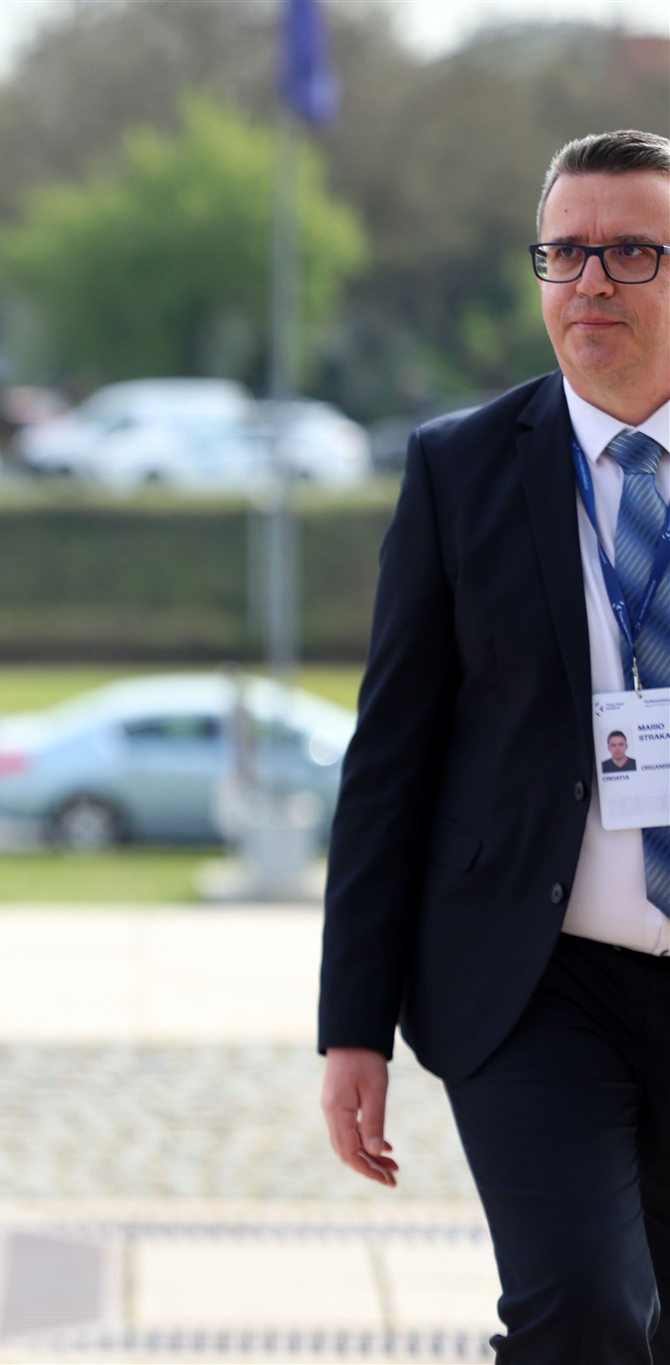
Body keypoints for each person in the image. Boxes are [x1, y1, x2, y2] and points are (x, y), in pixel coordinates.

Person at [319, 128, 670, 1359]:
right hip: (533, 980)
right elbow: (388, 762)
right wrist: (351, 1027)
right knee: (580, 1310)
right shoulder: (458, 469)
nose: (589, 282)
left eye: (629, 252)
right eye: (563, 253)